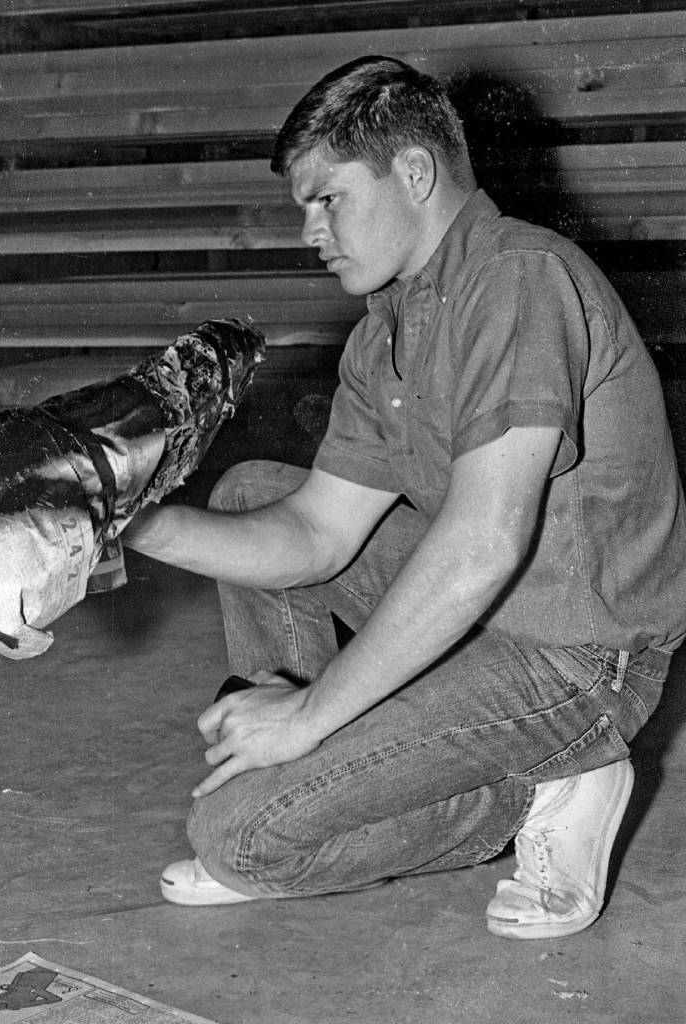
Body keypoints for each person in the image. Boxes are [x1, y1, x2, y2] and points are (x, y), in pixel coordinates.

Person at [122, 56, 686, 939]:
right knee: (248, 494)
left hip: (578, 659)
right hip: (491, 622)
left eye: (327, 199)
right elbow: (314, 532)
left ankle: (557, 771)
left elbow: (484, 543)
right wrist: (127, 521)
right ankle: (345, 769)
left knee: (241, 837)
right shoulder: (388, 326)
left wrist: (309, 717)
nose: (309, 230)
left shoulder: (518, 277)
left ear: (414, 173)